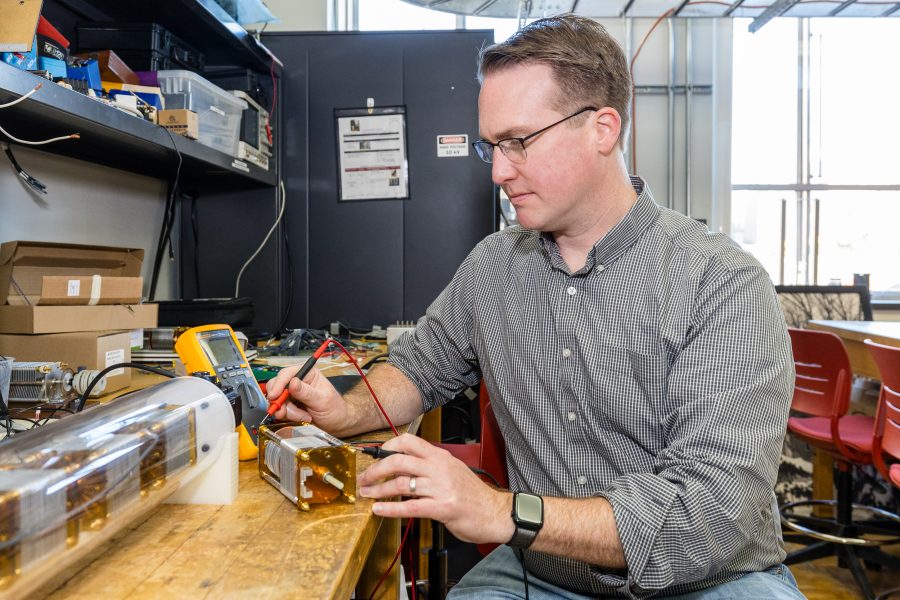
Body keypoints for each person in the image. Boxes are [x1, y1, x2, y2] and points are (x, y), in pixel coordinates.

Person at [266, 14, 803, 599]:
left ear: (602, 129)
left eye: (519, 141)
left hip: (705, 581)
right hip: (547, 572)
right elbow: (418, 369)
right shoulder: (494, 266)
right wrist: (343, 411)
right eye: (491, 146)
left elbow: (712, 518)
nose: (498, 171)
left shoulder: (721, 282)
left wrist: (505, 513)